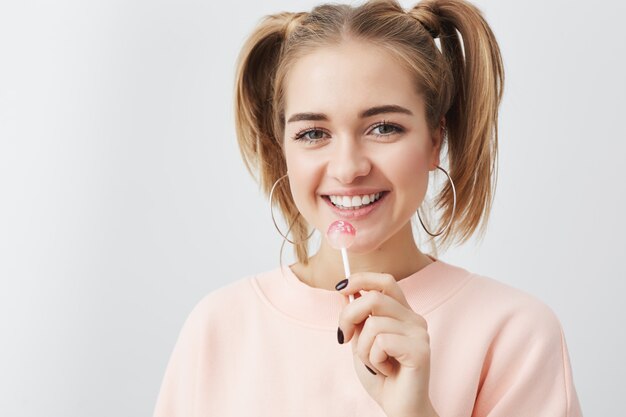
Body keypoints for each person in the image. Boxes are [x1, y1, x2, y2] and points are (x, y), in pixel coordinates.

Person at [153, 0, 583, 415]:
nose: (348, 168)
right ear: (280, 145)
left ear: (436, 139)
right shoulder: (217, 328)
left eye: (383, 127)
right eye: (312, 134)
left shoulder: (516, 335)